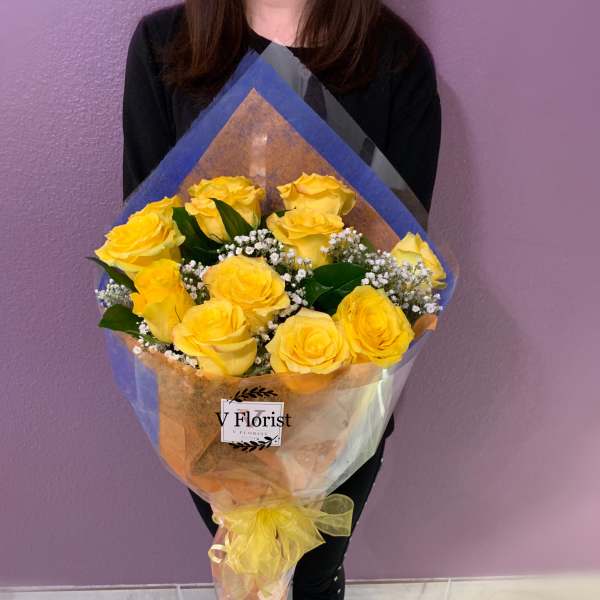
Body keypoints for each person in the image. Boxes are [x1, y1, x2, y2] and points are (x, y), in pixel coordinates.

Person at [122, 1, 441, 597]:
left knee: (314, 568)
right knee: (244, 556)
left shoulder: (394, 59)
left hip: (341, 391)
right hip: (206, 389)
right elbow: (146, 231)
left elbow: (405, 255)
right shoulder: (166, 45)